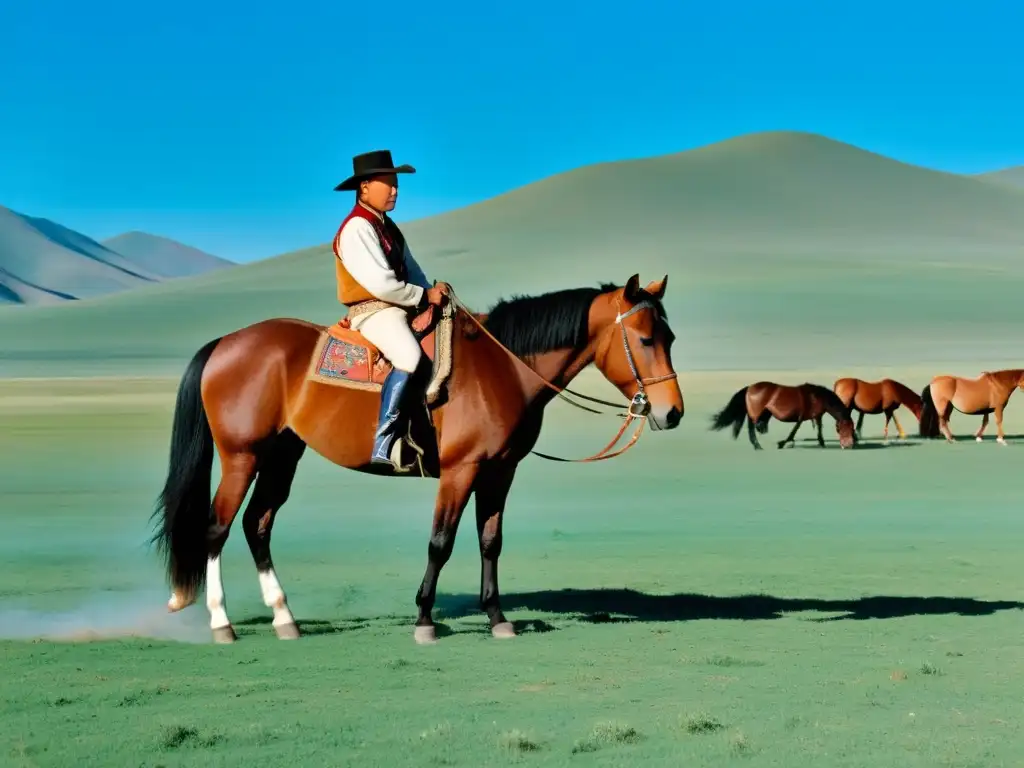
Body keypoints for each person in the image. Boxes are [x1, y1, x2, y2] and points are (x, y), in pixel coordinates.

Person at [332, 149, 449, 470]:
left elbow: (412, 270)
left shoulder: (388, 227)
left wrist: (432, 293)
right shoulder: (357, 227)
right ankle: (385, 443)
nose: (395, 190)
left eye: (396, 184)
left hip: (400, 307)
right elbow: (382, 284)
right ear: (365, 187)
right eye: (388, 183)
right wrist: (423, 295)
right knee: (409, 357)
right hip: (374, 311)